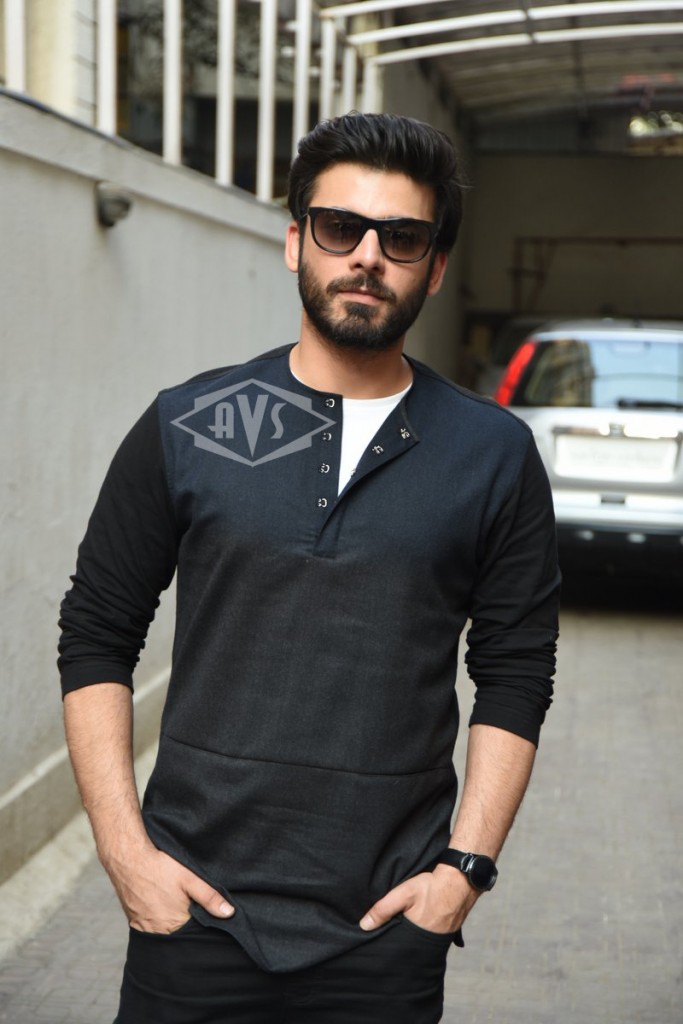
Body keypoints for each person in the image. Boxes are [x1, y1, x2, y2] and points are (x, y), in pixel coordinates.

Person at [58, 112, 560, 1024]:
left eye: (401, 238)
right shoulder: (193, 422)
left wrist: (464, 871)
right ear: (296, 242)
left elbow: (515, 672)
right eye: (340, 227)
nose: (367, 256)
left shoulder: (492, 453)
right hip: (191, 915)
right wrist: (126, 854)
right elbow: (96, 633)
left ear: (433, 268)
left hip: (386, 931)